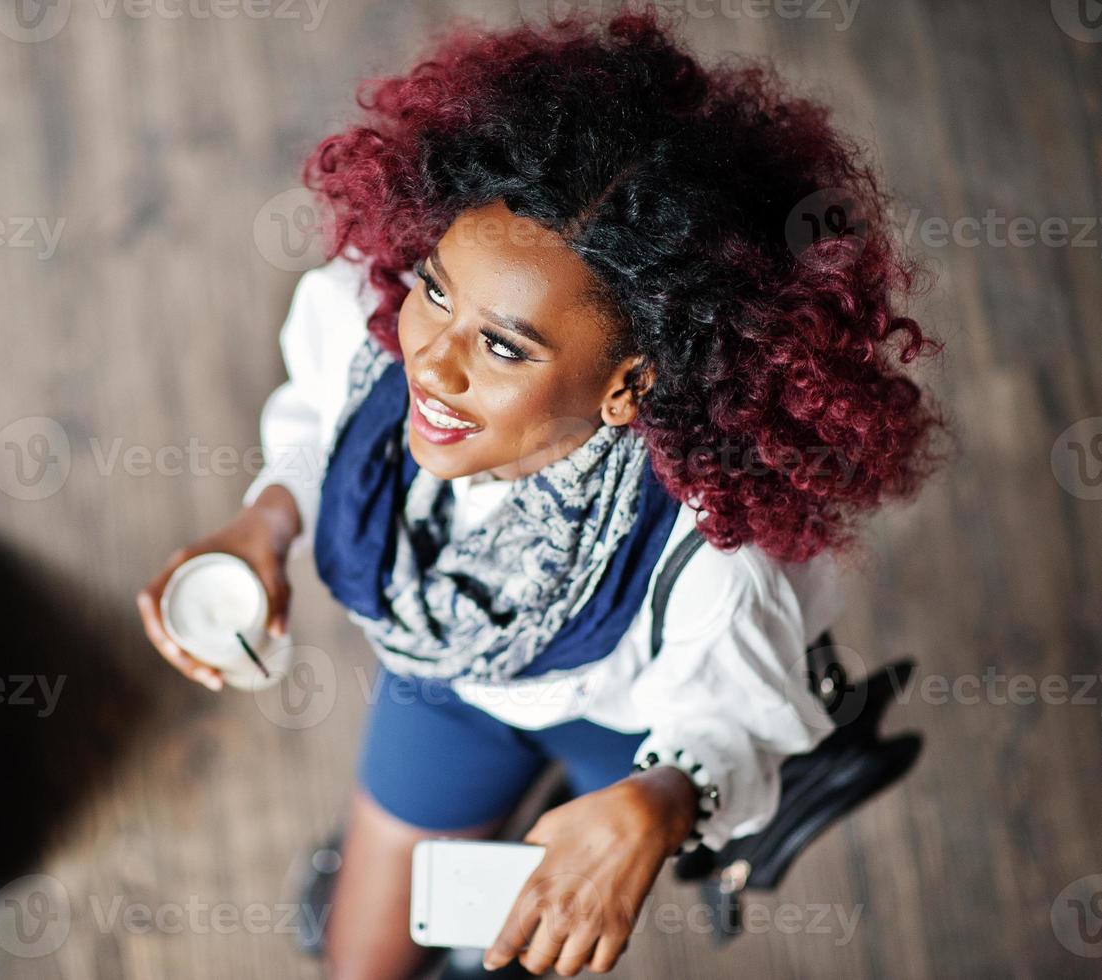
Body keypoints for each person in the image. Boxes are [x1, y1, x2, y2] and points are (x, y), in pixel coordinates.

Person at [138, 10, 941, 978]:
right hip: (450, 686)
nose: (430, 362)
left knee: (516, 944)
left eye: (505, 346)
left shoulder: (708, 558)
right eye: (438, 290)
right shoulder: (367, 321)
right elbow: (316, 417)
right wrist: (269, 518)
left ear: (628, 387)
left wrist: (665, 799)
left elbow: (725, 719)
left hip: (627, 730)